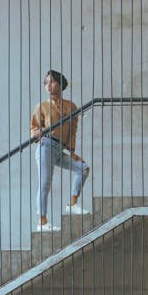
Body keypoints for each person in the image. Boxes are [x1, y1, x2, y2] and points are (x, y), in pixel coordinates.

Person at [31, 70, 90, 231]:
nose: (48, 86)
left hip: (59, 149)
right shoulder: (41, 106)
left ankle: (72, 204)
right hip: (46, 146)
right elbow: (34, 128)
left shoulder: (71, 107)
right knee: (45, 183)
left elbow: (73, 130)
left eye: (51, 82)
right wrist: (35, 133)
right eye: (45, 83)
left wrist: (71, 151)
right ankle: (42, 222)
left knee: (83, 168)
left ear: (60, 84)